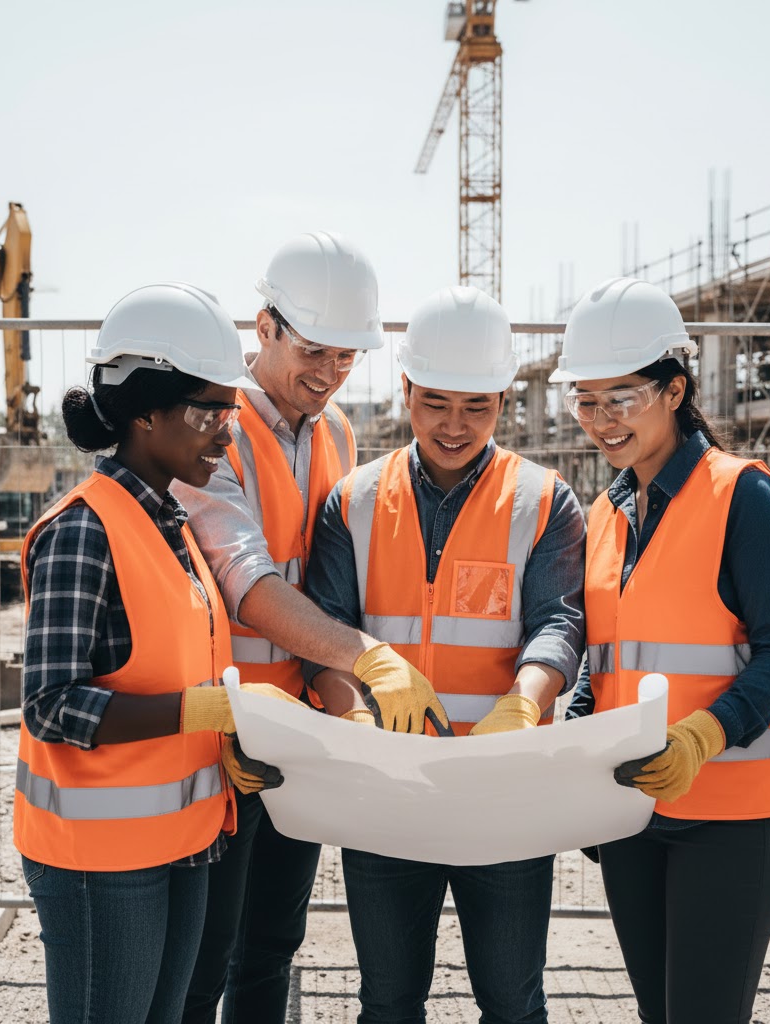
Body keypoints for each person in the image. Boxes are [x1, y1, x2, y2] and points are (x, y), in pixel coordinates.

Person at [14, 282, 306, 1024]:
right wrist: (205, 711)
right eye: (210, 413)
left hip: (182, 840)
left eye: (231, 414)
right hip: (100, 861)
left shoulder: (173, 525)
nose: (226, 436)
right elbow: (51, 706)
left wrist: (222, 737)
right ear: (145, 412)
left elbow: (168, 668)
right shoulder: (83, 531)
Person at [178, 233, 450, 1024]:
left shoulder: (336, 434)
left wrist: (342, 700)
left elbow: (331, 581)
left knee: (271, 943)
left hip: (301, 730)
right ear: (264, 327)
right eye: (314, 351)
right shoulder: (213, 426)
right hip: (221, 730)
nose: (330, 374)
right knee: (205, 956)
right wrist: (371, 658)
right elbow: (248, 585)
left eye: (346, 357)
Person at [303, 285, 586, 1024]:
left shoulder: (544, 501)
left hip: (505, 789)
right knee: (389, 1002)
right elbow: (324, 634)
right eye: (435, 402)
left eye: (477, 406)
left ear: (504, 400)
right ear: (405, 389)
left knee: (512, 1003)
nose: (454, 425)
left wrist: (523, 703)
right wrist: (352, 722)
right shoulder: (354, 501)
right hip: (388, 791)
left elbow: (557, 621)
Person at [552, 277, 770, 1024]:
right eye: (586, 400)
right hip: (633, 811)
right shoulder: (607, 512)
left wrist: (703, 735)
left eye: (622, 397)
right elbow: (608, 658)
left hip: (732, 818)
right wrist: (576, 733)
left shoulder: (745, 497)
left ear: (674, 389)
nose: (601, 420)